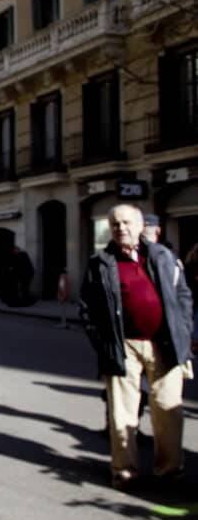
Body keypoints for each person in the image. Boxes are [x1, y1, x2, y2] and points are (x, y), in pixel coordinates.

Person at [80, 204, 193, 490]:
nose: (121, 229)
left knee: (168, 408)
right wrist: (102, 342)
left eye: (127, 223)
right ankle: (124, 469)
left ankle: (169, 469)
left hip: (163, 344)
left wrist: (184, 329)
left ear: (141, 226)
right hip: (123, 345)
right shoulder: (100, 262)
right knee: (123, 411)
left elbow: (183, 295)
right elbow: (87, 308)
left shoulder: (162, 256)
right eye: (115, 224)